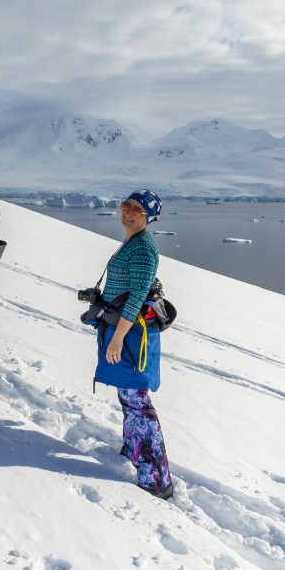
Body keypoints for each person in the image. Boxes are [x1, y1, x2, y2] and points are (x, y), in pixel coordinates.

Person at [93, 189, 173, 499]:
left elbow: (138, 296)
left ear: (149, 217)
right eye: (126, 205)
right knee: (129, 396)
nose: (128, 212)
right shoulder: (132, 242)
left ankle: (156, 478)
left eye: (137, 210)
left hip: (131, 336)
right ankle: (135, 451)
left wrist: (117, 338)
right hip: (126, 332)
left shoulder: (143, 248)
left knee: (138, 401)